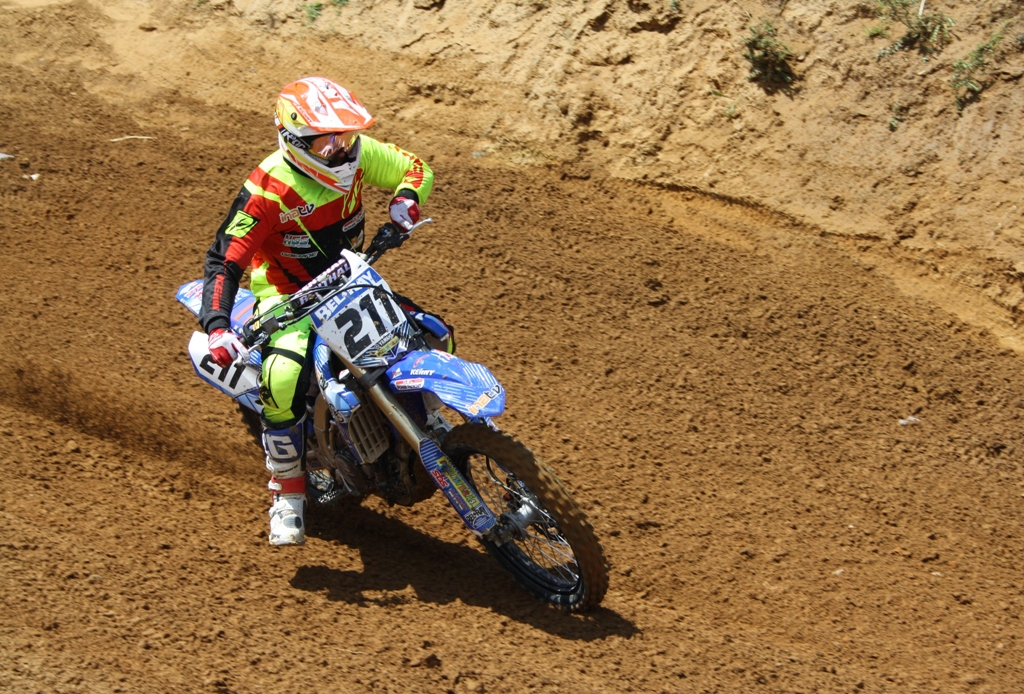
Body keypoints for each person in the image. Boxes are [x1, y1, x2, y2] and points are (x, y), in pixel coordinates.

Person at [197, 76, 450, 546]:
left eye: (346, 137)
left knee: (432, 332)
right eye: (326, 141)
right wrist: (216, 327)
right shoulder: (268, 189)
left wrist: (406, 199)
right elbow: (224, 259)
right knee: (282, 379)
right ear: (294, 141)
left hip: (351, 279)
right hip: (287, 297)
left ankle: (430, 419)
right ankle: (287, 493)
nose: (341, 150)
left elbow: (415, 168)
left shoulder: (358, 157)